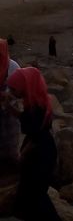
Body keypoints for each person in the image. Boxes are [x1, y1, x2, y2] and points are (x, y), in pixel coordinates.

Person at [6, 67, 62, 220]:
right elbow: (27, 121)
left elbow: (31, 129)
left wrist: (23, 154)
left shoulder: (36, 106)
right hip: (40, 150)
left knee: (35, 195)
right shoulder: (36, 100)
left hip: (40, 154)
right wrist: (11, 108)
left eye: (13, 88)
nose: (11, 92)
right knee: (31, 193)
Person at [1, 38, 21, 171]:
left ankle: (12, 158)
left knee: (12, 132)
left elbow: (21, 89)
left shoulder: (13, 66)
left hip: (11, 107)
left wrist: (9, 96)